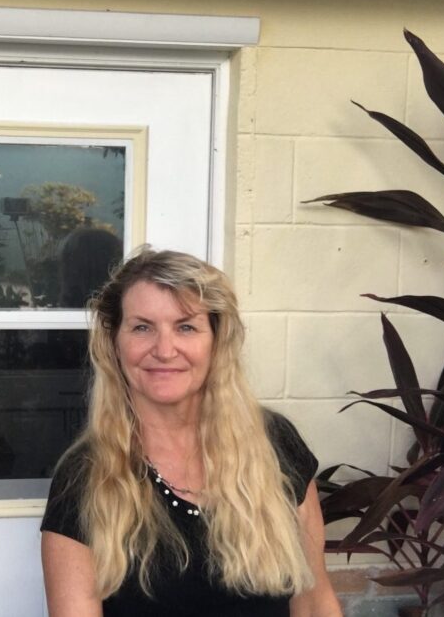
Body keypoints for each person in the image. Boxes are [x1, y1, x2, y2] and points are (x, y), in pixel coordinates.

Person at [41, 248, 341, 617]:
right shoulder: (86, 477)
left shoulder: (275, 443)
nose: (165, 350)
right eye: (142, 327)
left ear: (216, 341)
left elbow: (313, 600)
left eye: (185, 326)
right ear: (115, 343)